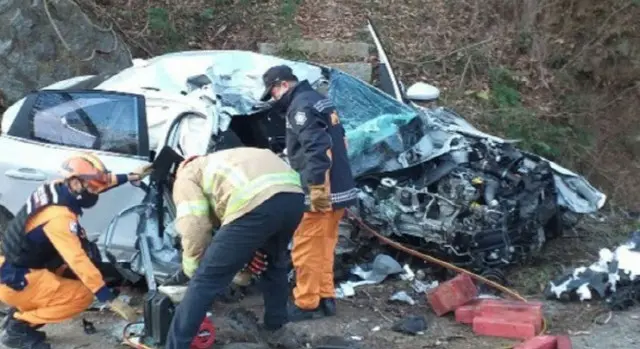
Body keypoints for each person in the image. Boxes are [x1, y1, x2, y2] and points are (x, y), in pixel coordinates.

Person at [0, 152, 152, 349]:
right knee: (83, 295)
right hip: (17, 280)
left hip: (15, 269)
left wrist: (130, 177)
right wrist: (107, 297)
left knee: (80, 277)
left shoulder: (55, 187)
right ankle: (19, 327)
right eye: (92, 188)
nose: (95, 192)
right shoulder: (59, 219)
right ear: (76, 184)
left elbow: (99, 182)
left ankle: (22, 312)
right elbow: (77, 260)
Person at [164, 147, 305, 349]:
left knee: (205, 281)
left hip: (256, 202)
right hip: (293, 197)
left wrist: (192, 268)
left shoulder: (186, 175)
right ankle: (276, 328)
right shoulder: (222, 160)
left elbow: (195, 227)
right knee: (274, 263)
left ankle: (176, 346)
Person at [260, 65, 357, 321]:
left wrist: (315, 190)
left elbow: (317, 150)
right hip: (340, 189)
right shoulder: (319, 99)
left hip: (321, 191)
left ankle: (306, 303)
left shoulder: (300, 107)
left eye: (272, 93)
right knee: (324, 246)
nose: (273, 100)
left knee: (305, 247)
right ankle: (325, 298)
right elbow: (342, 142)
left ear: (282, 85)